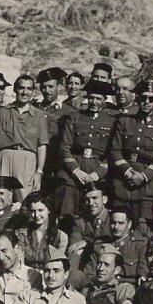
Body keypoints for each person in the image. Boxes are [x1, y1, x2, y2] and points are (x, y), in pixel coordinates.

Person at [109, 81, 153, 222]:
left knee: (143, 229)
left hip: (147, 188)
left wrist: (143, 176)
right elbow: (115, 150)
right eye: (143, 98)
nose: (146, 102)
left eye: (151, 99)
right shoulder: (124, 121)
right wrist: (127, 171)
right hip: (122, 184)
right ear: (137, 99)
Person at [56, 80, 117, 217]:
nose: (94, 102)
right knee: (66, 212)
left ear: (104, 100)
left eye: (98, 99)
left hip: (96, 172)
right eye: (91, 98)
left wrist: (98, 174)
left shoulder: (112, 122)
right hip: (73, 172)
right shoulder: (75, 117)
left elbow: (113, 152)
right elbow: (64, 147)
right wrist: (76, 171)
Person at [0, 74, 49, 200]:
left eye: (29, 89)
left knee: (25, 201)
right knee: (0, 199)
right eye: (21, 88)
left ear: (33, 92)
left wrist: (39, 172)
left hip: (27, 161)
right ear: (15, 89)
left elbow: (42, 146)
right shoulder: (2, 112)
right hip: (3, 159)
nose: (25, 92)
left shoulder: (39, 115)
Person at [79, 207, 149, 284]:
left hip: (128, 289)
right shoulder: (100, 245)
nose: (116, 227)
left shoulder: (139, 245)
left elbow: (142, 275)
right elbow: (90, 273)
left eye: (121, 223)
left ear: (129, 224)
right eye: (113, 222)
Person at [35, 67, 77, 183]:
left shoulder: (69, 111)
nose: (47, 90)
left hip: (55, 162)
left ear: (59, 87)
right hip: (34, 159)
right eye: (43, 87)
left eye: (50, 87)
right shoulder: (34, 107)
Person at [14, 191, 69, 274]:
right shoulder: (21, 234)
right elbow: (19, 262)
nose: (36, 215)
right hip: (26, 275)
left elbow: (57, 264)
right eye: (33, 211)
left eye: (40, 210)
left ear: (49, 210)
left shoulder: (61, 236)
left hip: (49, 276)